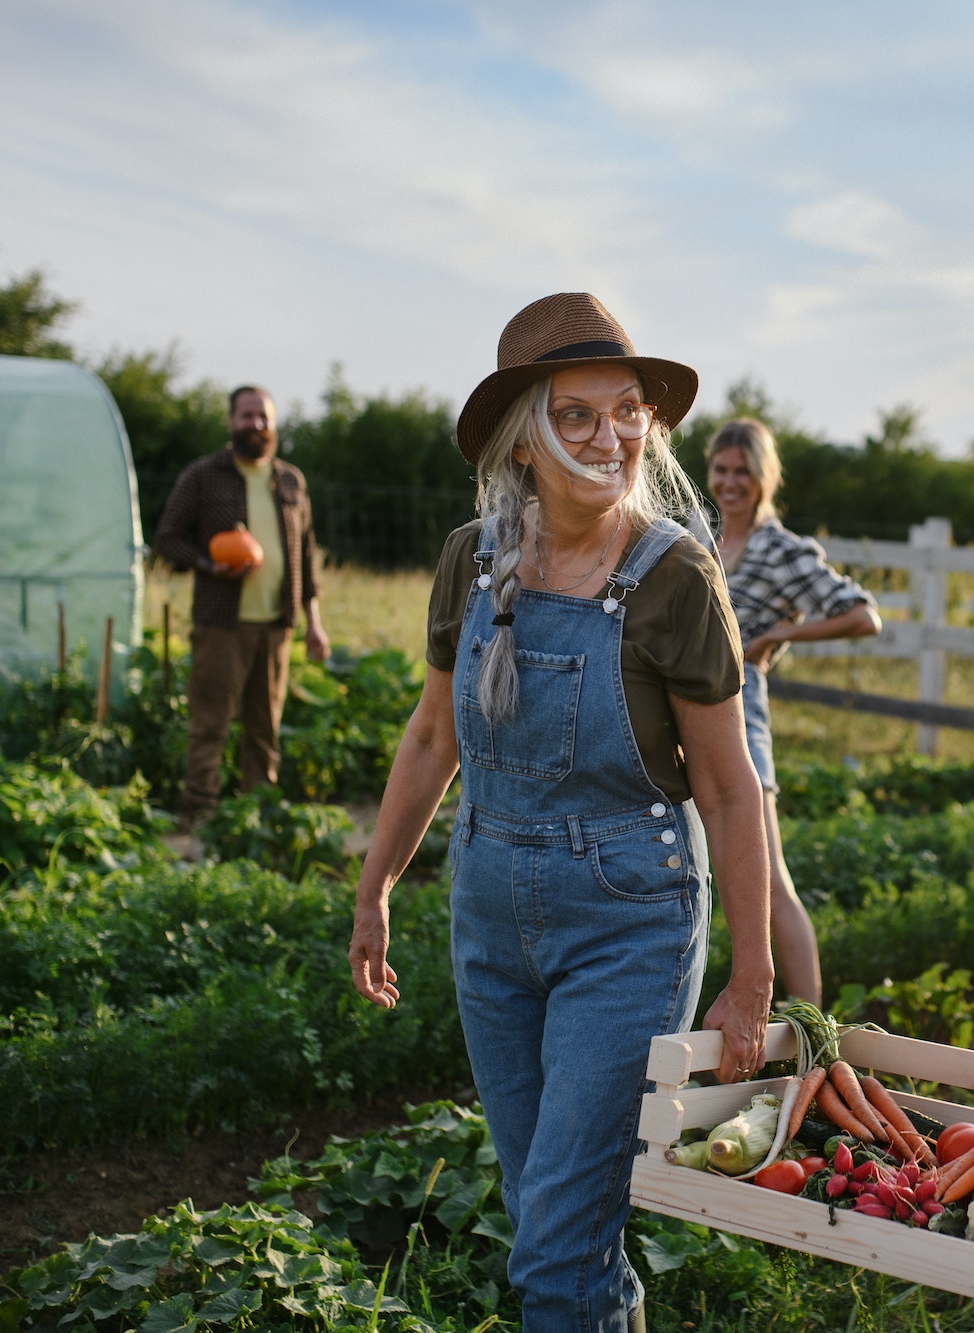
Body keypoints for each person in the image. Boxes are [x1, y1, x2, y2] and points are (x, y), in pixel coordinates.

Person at [346, 293, 772, 1333]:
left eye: (626, 410)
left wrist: (752, 971)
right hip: (488, 909)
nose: (609, 435)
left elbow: (726, 784)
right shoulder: (470, 558)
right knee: (555, 1214)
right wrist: (375, 885)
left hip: (627, 914)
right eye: (574, 415)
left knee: (553, 1251)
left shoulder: (673, 573)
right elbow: (431, 737)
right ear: (522, 443)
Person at [705, 418, 881, 1004]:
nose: (730, 483)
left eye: (743, 473)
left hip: (739, 708)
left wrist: (782, 631)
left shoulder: (782, 549)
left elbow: (862, 614)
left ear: (764, 478)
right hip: (680, 714)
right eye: (722, 470)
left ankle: (816, 1034)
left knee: (765, 877)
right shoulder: (697, 535)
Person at [152, 385, 330, 820]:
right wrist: (210, 565)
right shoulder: (203, 475)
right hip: (220, 624)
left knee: (264, 729)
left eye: (264, 417)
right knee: (210, 724)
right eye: (247, 416)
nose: (256, 424)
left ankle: (255, 818)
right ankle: (200, 816)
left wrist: (314, 623)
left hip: (276, 625)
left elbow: (306, 557)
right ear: (231, 421)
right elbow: (167, 538)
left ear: (273, 424)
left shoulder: (291, 479)